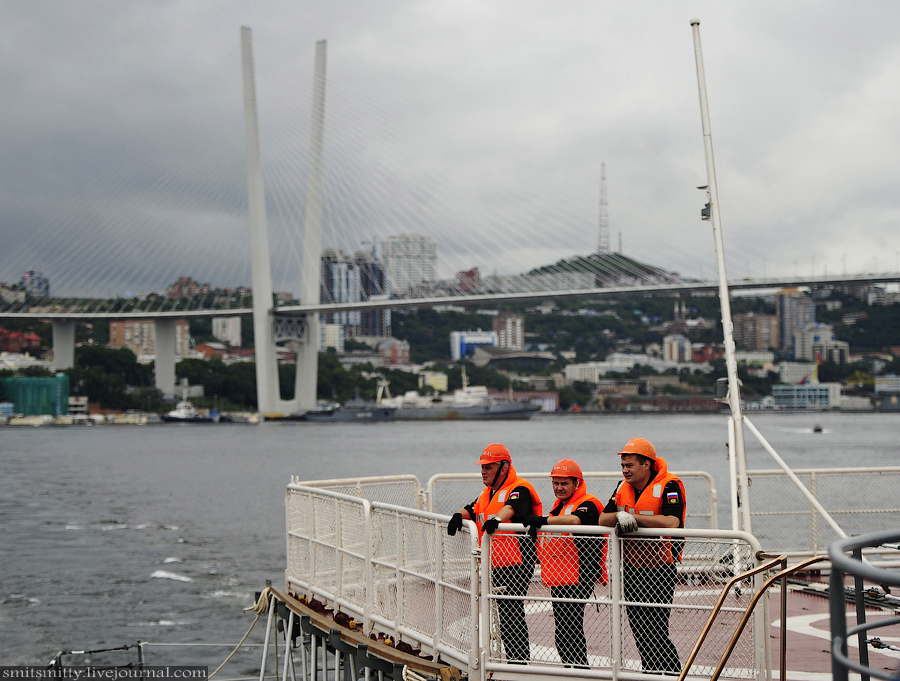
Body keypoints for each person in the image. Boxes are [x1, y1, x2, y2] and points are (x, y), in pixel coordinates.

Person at [446, 443, 542, 662]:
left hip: (517, 562)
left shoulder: (520, 488)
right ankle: (514, 662)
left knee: (512, 614)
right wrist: (458, 515)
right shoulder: (486, 493)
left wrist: (497, 520)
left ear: (504, 468)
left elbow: (511, 507)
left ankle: (520, 664)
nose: (483, 471)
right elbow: (471, 509)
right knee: (505, 615)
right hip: (497, 562)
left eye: (488, 467)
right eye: (482, 467)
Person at [598, 437, 686, 675]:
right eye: (622, 466)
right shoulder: (621, 487)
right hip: (631, 569)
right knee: (639, 631)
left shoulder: (669, 486)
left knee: (656, 631)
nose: (625, 470)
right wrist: (620, 515)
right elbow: (603, 518)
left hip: (660, 569)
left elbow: (672, 522)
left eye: (630, 465)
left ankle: (672, 676)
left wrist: (634, 518)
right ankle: (651, 675)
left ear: (647, 464)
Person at [523, 459, 605, 668]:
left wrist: (542, 520)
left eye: (564, 484)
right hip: (561, 577)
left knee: (571, 628)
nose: (559, 488)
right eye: (556, 483)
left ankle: (580, 671)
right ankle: (572, 669)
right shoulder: (559, 507)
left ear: (577, 483)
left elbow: (576, 520)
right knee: (563, 630)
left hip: (579, 576)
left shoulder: (588, 504)